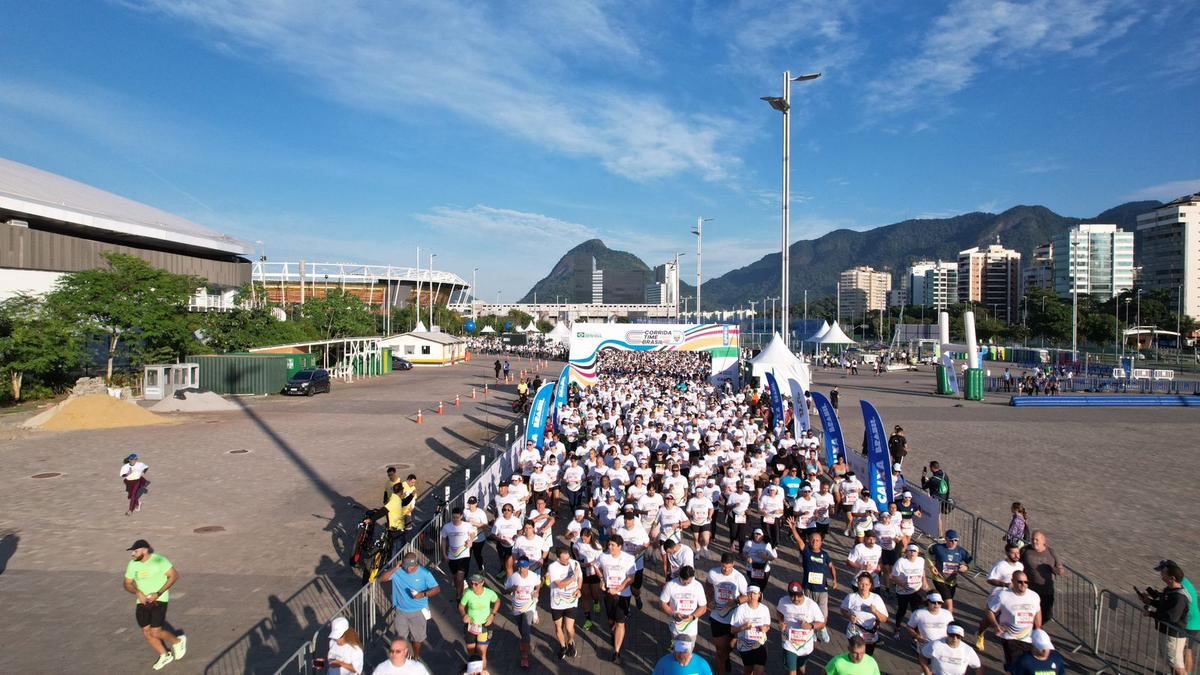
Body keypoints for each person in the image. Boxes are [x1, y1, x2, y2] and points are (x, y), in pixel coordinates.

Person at [123, 539, 185, 671]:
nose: (132, 554)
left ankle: (178, 642)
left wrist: (159, 593)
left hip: (159, 600)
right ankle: (164, 655)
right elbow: (127, 583)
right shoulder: (133, 564)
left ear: (145, 550)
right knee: (146, 632)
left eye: (135, 551)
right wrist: (137, 592)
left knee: (155, 632)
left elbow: (174, 576)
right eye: (132, 551)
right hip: (142, 602)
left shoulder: (159, 561)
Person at [379, 553, 441, 662]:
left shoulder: (424, 574)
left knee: (417, 640)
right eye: (406, 566)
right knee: (400, 638)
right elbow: (382, 579)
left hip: (418, 611)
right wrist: (394, 568)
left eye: (411, 567)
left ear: (416, 564)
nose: (408, 569)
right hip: (401, 611)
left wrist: (422, 594)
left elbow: (436, 589)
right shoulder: (398, 571)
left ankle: (416, 657)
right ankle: (404, 658)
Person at [1137, 560, 1192, 675]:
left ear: (1172, 578)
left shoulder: (1179, 597)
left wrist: (1151, 614)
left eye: (1163, 575)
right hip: (1167, 632)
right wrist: (1150, 601)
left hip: (1174, 635)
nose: (1162, 577)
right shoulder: (1170, 590)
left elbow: (1171, 617)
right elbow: (1165, 606)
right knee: (1172, 663)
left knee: (1177, 667)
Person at [983, 570, 1042, 669]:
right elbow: (989, 610)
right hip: (1009, 637)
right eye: (1020, 582)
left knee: (1027, 665)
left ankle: (1008, 666)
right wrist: (995, 625)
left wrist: (1038, 629)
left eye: (1026, 582)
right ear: (1013, 581)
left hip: (1028, 638)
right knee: (1017, 666)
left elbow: (1037, 612)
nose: (1023, 584)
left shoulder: (1034, 596)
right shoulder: (1003, 596)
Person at [706, 552, 750, 675]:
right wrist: (709, 599)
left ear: (733, 565)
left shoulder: (739, 577)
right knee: (720, 650)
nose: (726, 569)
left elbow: (747, 596)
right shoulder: (713, 573)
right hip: (717, 616)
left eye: (729, 567)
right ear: (721, 563)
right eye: (724, 566)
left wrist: (736, 601)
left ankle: (725, 657)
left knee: (730, 646)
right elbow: (708, 584)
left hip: (733, 618)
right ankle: (722, 666)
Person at [597, 535, 637, 664]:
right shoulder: (604, 556)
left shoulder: (628, 558)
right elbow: (596, 566)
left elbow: (631, 577)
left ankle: (616, 651)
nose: (609, 547)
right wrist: (602, 579)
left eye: (612, 545)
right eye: (609, 544)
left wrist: (620, 588)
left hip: (623, 595)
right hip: (608, 593)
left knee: (620, 622)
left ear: (620, 546)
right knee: (610, 620)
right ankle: (612, 632)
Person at [976, 542, 1023, 650]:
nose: (1017, 555)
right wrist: (1004, 584)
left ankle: (1013, 640)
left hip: (1012, 597)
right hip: (997, 596)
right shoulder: (1000, 565)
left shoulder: (1020, 566)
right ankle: (980, 633)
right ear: (1007, 553)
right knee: (989, 620)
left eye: (1018, 553)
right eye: (1013, 553)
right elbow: (989, 579)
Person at [777, 581, 825, 675]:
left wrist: (810, 626)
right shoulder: (783, 601)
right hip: (789, 643)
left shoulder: (811, 605)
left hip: (805, 645)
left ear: (802, 593)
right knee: (792, 672)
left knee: (801, 670)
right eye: (792, 596)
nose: (795, 599)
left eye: (798, 596)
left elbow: (822, 623)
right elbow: (779, 612)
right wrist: (781, 622)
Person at [504, 558, 542, 669]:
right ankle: (524, 641)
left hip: (529, 607)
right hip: (516, 607)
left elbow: (539, 584)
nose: (521, 570)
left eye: (524, 567)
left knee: (526, 631)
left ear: (528, 567)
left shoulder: (533, 576)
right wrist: (512, 588)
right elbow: (504, 591)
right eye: (519, 567)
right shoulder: (513, 577)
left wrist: (536, 592)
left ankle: (525, 657)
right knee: (521, 628)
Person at [1020, 530, 1064, 624]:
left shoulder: (1051, 552)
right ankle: (1031, 632)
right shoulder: (1025, 550)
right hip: (1030, 589)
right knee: (1029, 614)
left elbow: (1060, 569)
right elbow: (1016, 562)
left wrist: (1057, 570)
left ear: (1044, 541)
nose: (1034, 541)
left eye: (1036, 539)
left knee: (1046, 615)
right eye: (1032, 539)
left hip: (1046, 590)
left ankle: (1037, 627)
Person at [546, 546, 582, 660]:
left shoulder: (575, 563)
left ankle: (571, 641)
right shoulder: (553, 567)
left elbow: (580, 577)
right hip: (557, 601)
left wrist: (579, 588)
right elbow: (559, 584)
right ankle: (562, 646)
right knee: (558, 627)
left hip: (571, 600)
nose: (568, 561)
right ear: (558, 558)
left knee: (569, 627)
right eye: (565, 559)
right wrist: (573, 578)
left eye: (568, 558)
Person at [458, 574, 499, 668]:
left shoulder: (489, 593)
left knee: (481, 653)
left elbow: (497, 601)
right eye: (471, 583)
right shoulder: (468, 593)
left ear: (482, 583)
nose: (473, 586)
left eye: (476, 584)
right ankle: (473, 669)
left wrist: (493, 614)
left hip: (485, 626)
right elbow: (461, 606)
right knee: (471, 653)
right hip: (471, 626)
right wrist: (464, 615)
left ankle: (482, 671)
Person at [927, 530, 972, 613]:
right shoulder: (938, 548)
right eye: (951, 540)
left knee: (943, 604)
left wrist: (967, 567)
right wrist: (931, 566)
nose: (954, 542)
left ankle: (934, 614)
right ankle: (949, 624)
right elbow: (928, 552)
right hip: (939, 579)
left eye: (956, 540)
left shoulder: (961, 551)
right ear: (946, 539)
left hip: (952, 582)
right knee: (949, 605)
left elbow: (972, 562)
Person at [730, 585, 771, 675]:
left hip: (760, 643)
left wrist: (765, 628)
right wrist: (743, 627)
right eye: (750, 594)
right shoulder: (740, 610)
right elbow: (732, 630)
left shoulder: (764, 609)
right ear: (747, 595)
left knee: (759, 671)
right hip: (745, 645)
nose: (752, 596)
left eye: (754, 594)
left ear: (759, 595)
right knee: (748, 670)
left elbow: (767, 625)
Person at [660, 565, 708, 640]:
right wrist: (674, 614)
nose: (685, 584)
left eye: (688, 582)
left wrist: (692, 617)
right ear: (679, 576)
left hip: (691, 627)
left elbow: (703, 607)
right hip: (675, 626)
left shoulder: (698, 586)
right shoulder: (670, 585)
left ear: (692, 577)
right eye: (683, 581)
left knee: (688, 650)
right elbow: (662, 603)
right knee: (676, 648)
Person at [892, 543, 931, 627]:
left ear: (917, 553)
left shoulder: (921, 560)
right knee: (902, 611)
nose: (912, 553)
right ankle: (897, 627)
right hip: (903, 592)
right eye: (910, 551)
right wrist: (902, 584)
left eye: (914, 551)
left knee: (916, 611)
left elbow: (922, 571)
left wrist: (924, 582)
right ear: (906, 552)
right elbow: (894, 576)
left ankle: (916, 631)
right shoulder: (901, 562)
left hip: (916, 590)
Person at [442, 507, 475, 600]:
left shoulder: (467, 525)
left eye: (457, 517)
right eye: (453, 517)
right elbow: (444, 540)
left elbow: (472, 533)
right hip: (452, 556)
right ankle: (458, 590)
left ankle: (459, 597)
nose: (455, 519)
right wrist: (444, 554)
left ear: (461, 516)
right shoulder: (447, 527)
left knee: (460, 578)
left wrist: (470, 540)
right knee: (455, 578)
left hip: (464, 555)